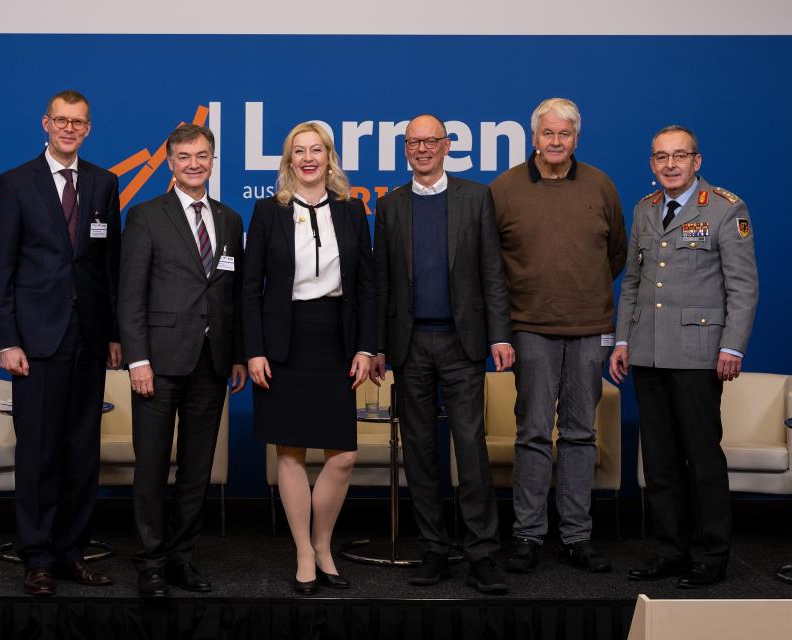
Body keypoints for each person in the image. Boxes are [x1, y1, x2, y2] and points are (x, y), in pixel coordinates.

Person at [371, 114, 514, 594]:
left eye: (431, 141)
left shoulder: (475, 198)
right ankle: (434, 548)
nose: (422, 149)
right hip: (409, 346)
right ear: (405, 149)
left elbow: (493, 271)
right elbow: (381, 283)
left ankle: (482, 553)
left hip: (462, 343)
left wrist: (500, 335)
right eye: (413, 142)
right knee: (420, 452)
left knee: (470, 450)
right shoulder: (390, 206)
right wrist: (377, 347)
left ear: (447, 145)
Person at [611, 125, 758, 589]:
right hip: (649, 351)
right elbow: (633, 283)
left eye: (679, 156)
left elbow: (742, 286)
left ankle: (711, 555)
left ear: (697, 162)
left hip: (699, 354)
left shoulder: (725, 208)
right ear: (652, 164)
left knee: (701, 457)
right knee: (659, 462)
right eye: (661, 157)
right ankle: (670, 551)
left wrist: (731, 345)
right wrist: (621, 341)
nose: (670, 165)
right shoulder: (645, 210)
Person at [0, 89, 121, 596]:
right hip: (35, 340)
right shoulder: (16, 183)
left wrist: (113, 334)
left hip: (89, 337)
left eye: (78, 122)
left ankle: (71, 554)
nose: (69, 129)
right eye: (61, 121)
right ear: (45, 123)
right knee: (39, 454)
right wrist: (7, 339)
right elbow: (0, 268)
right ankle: (37, 558)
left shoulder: (105, 184)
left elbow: (109, 265)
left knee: (83, 453)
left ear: (88, 128)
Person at [489, 98, 627, 574]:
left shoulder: (600, 185)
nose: (555, 142)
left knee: (580, 433)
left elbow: (616, 253)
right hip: (529, 327)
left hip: (589, 329)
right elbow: (491, 263)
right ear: (534, 137)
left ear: (576, 138)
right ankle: (527, 534)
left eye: (564, 135)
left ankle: (576, 536)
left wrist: (582, 294)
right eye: (547, 133)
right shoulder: (504, 189)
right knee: (531, 434)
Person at [243, 122, 375, 595]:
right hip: (284, 342)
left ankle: (324, 545)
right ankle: (303, 551)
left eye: (315, 150)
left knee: (343, 455)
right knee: (291, 450)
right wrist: (254, 349)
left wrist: (365, 346)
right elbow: (249, 288)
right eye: (298, 151)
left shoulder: (352, 209)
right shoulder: (266, 212)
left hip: (336, 340)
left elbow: (367, 285)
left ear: (329, 156)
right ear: (288, 160)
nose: (307, 158)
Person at [118, 123, 247, 598]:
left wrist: (234, 355)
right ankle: (150, 563)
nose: (194, 164)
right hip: (158, 364)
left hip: (212, 365)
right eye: (184, 157)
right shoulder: (145, 216)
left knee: (197, 470)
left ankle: (181, 559)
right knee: (151, 468)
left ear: (213, 161)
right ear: (170, 163)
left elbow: (231, 295)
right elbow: (129, 295)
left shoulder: (231, 220)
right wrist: (137, 361)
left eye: (203, 155)